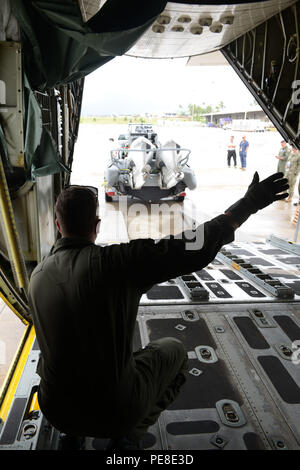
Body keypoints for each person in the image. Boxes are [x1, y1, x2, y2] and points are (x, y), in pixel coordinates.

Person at [28, 173, 288, 450]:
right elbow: (193, 246)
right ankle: (128, 437)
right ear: (97, 226)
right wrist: (247, 204)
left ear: (58, 225)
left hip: (57, 412)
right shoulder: (115, 264)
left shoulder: (38, 277)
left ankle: (74, 435)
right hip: (116, 413)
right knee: (173, 350)